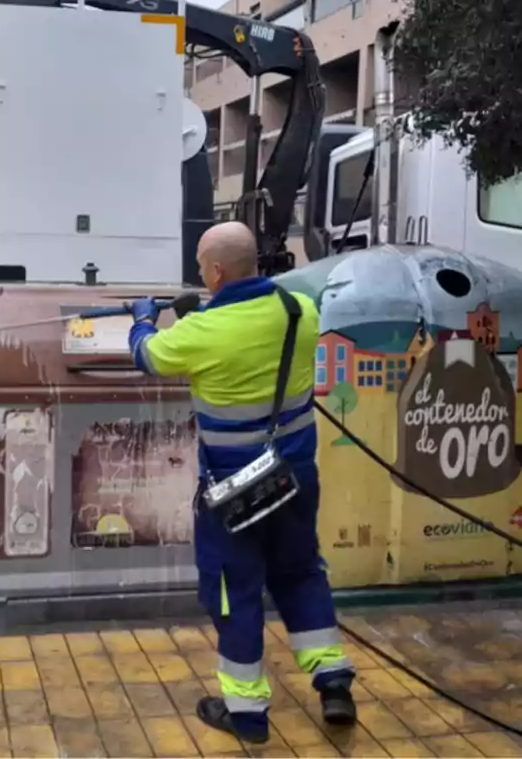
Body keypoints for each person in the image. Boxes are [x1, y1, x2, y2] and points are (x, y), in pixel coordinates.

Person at [126, 221, 356, 744]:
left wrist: (143, 318)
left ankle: (246, 714)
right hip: (294, 477)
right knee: (301, 573)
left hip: (236, 491)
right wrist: (206, 311)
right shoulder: (302, 312)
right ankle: (334, 682)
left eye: (203, 268)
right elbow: (252, 329)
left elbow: (148, 355)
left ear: (215, 271)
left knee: (236, 591)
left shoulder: (202, 334)